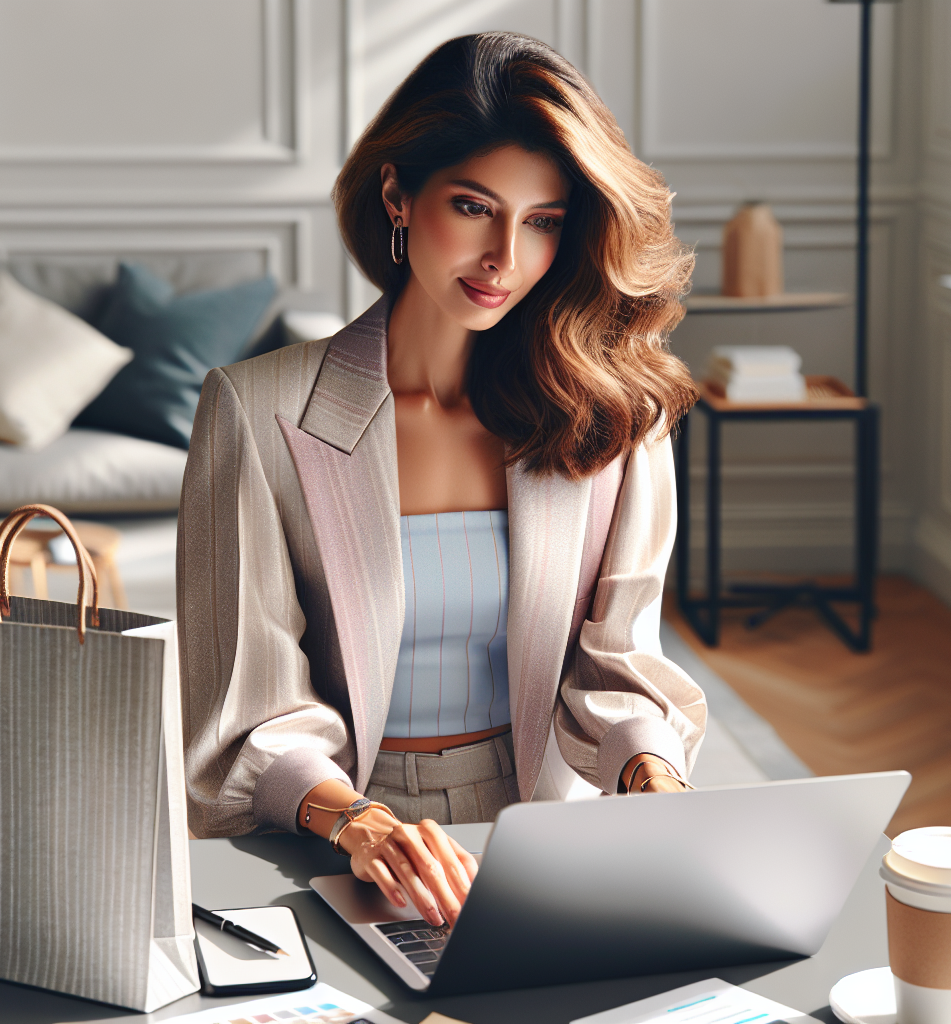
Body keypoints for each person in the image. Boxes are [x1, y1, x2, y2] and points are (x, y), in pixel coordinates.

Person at [179, 31, 705, 934]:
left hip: (544, 822)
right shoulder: (255, 408)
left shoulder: (606, 414)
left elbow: (618, 661)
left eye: (542, 221)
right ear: (397, 192)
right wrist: (359, 822)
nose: (506, 256)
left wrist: (653, 776)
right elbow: (246, 705)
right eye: (474, 207)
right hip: (335, 826)